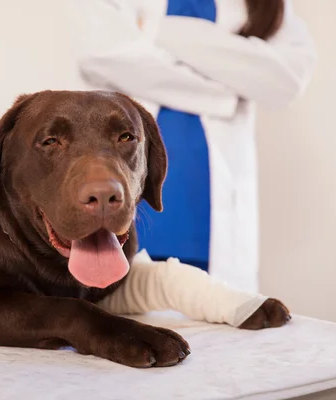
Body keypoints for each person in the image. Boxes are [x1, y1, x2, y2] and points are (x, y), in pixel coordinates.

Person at [67, 0, 316, 292]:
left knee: (215, 313)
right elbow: (104, 55)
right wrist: (225, 92)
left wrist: (155, 29)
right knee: (125, 310)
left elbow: (284, 81)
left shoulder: (267, 6)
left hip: (211, 211)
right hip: (135, 201)